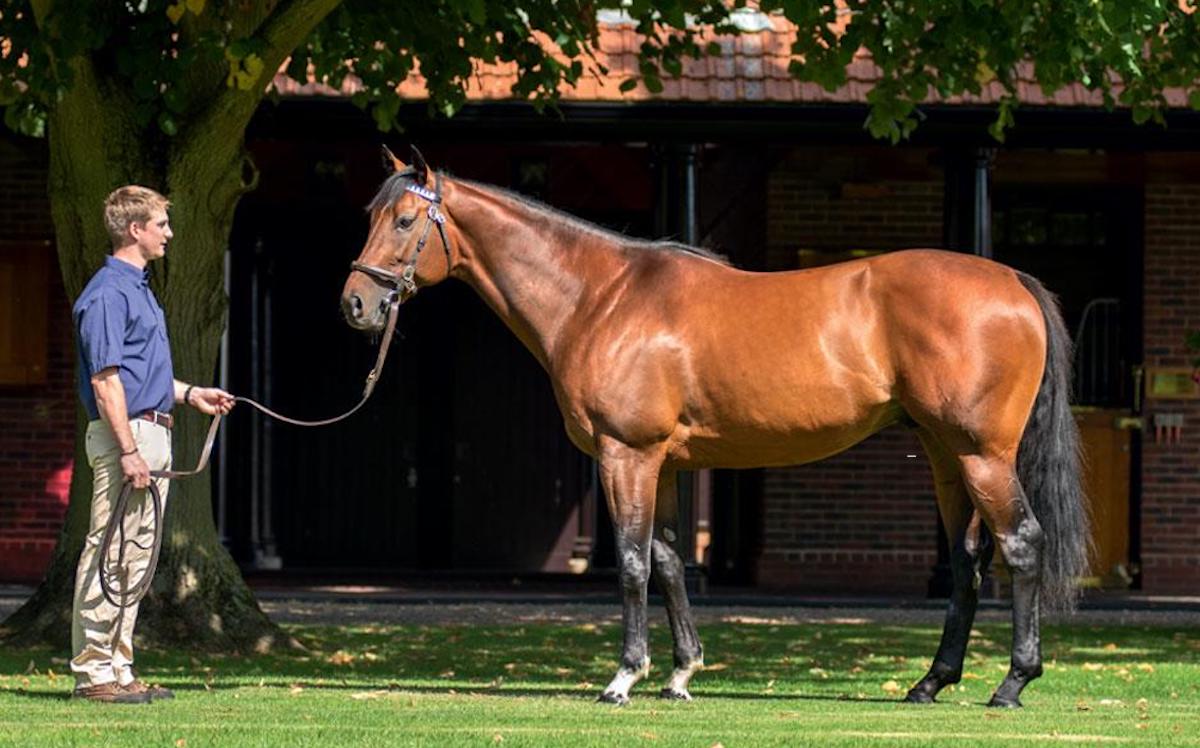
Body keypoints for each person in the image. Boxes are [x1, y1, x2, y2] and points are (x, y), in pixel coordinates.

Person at [70, 185, 234, 703]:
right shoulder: (106, 294)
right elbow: (106, 381)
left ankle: (119, 669)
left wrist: (190, 394)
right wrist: (128, 450)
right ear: (134, 229)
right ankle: (93, 674)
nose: (168, 233)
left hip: (150, 429)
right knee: (110, 550)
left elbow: (142, 373)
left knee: (136, 557)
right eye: (161, 224)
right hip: (130, 435)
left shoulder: (138, 289)